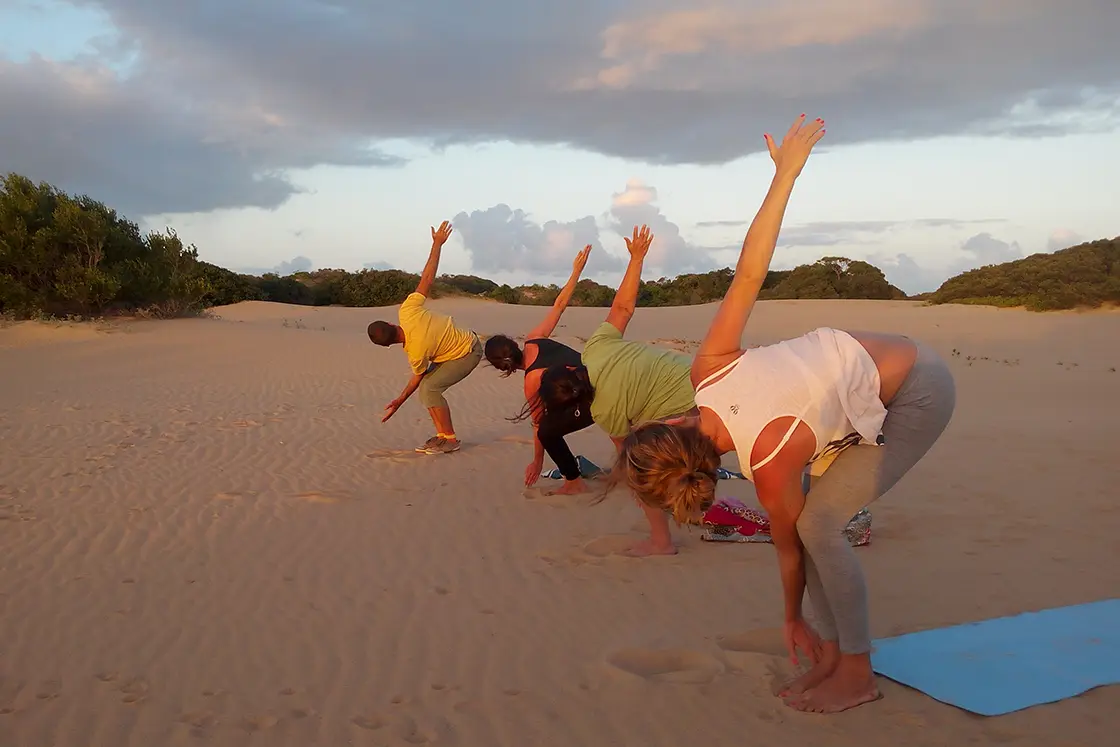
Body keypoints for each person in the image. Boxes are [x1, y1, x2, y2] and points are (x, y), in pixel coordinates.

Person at [608, 114, 957, 714]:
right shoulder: (712, 379)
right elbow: (748, 270)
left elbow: (790, 547)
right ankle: (832, 653)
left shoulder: (752, 438)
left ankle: (856, 670)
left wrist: (791, 614)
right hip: (855, 404)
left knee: (818, 526)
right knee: (811, 526)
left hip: (916, 389)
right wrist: (785, 173)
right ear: (671, 426)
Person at [537, 224, 699, 556]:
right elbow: (623, 308)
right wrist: (637, 257)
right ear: (571, 367)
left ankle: (661, 541)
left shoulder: (604, 412)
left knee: (639, 470)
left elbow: (629, 455)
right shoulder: (595, 347)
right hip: (703, 372)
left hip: (700, 408)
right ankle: (690, 501)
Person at [484, 245, 598, 495]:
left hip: (594, 399)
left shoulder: (532, 380)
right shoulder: (535, 338)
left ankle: (573, 482)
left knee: (548, 432)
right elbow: (559, 305)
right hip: (607, 377)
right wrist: (576, 271)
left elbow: (539, 426)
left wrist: (538, 461)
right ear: (514, 344)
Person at [369, 221, 483, 454]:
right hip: (459, 344)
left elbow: (417, 378)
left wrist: (399, 401)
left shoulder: (415, 352)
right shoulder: (407, 312)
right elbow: (427, 278)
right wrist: (437, 244)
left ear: (388, 345)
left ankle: (450, 439)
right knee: (427, 389)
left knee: (430, 388)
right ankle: (442, 435)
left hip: (468, 352)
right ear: (392, 324)